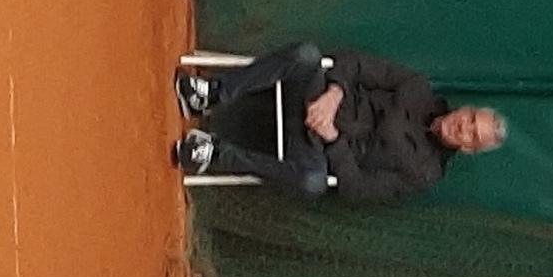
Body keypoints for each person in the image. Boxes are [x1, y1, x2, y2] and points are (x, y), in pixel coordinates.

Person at [172, 41, 503, 199]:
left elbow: (357, 187)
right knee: (306, 56)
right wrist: (334, 93)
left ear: (468, 149)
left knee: (312, 183)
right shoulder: (416, 86)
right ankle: (210, 94)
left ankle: (213, 153)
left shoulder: (424, 173)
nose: (464, 127)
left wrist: (332, 138)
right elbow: (355, 63)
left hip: (318, 147)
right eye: (471, 119)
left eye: (472, 135)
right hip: (317, 95)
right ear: (466, 109)